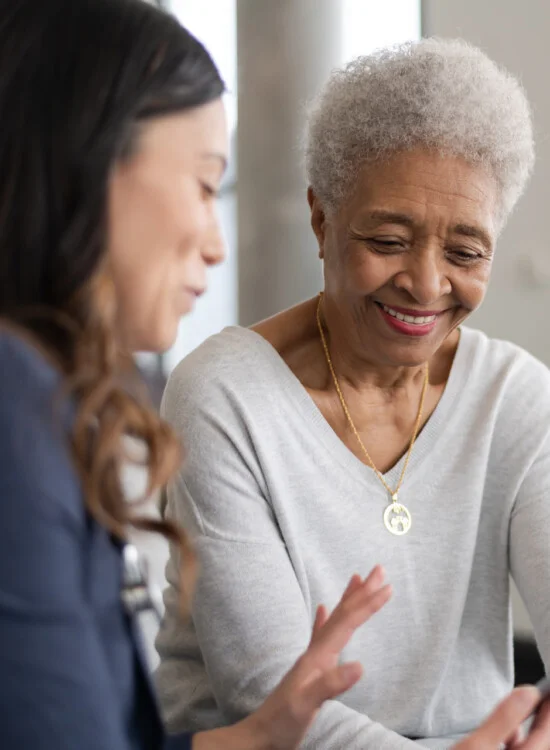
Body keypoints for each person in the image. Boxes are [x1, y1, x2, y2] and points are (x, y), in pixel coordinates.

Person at [0, 0, 395, 748]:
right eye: (205, 185)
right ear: (88, 156)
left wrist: (258, 734)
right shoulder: (13, 404)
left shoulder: (40, 402)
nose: (216, 245)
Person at [155, 38, 550, 749]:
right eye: (389, 239)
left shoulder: (516, 397)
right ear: (320, 219)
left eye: (465, 253)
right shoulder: (224, 398)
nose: (427, 286)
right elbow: (274, 703)